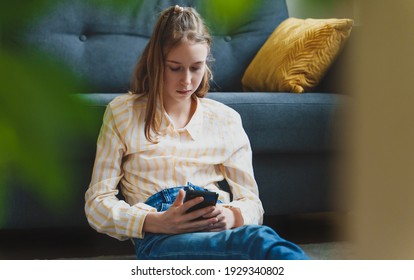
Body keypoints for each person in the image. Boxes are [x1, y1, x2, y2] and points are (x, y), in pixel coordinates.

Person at [85, 5, 309, 260]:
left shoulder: (225, 120)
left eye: (196, 67)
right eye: (175, 67)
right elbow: (97, 202)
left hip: (214, 220)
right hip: (160, 235)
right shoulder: (122, 112)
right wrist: (155, 221)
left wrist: (232, 215)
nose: (187, 81)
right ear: (156, 62)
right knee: (256, 243)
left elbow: (252, 202)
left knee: (257, 240)